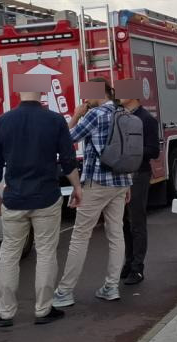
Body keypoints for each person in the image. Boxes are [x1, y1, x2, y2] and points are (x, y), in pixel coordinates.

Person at [0, 75, 81, 328]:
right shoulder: (54, 120)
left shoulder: (1, 122)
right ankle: (43, 309)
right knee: (46, 253)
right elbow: (68, 159)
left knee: (8, 254)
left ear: (18, 93)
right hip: (46, 197)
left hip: (14, 197)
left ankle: (5, 313)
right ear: (42, 93)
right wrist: (76, 187)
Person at [54, 83, 132, 306]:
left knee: (80, 236)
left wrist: (76, 115)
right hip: (121, 182)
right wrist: (128, 186)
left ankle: (65, 292)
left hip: (96, 182)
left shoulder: (94, 115)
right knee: (115, 234)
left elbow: (66, 140)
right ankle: (111, 287)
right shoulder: (124, 113)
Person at [118, 80, 160, 286]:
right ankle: (128, 261)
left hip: (138, 174)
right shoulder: (120, 117)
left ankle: (138, 267)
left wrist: (132, 149)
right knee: (123, 221)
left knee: (136, 221)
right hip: (122, 173)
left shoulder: (146, 120)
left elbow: (154, 151)